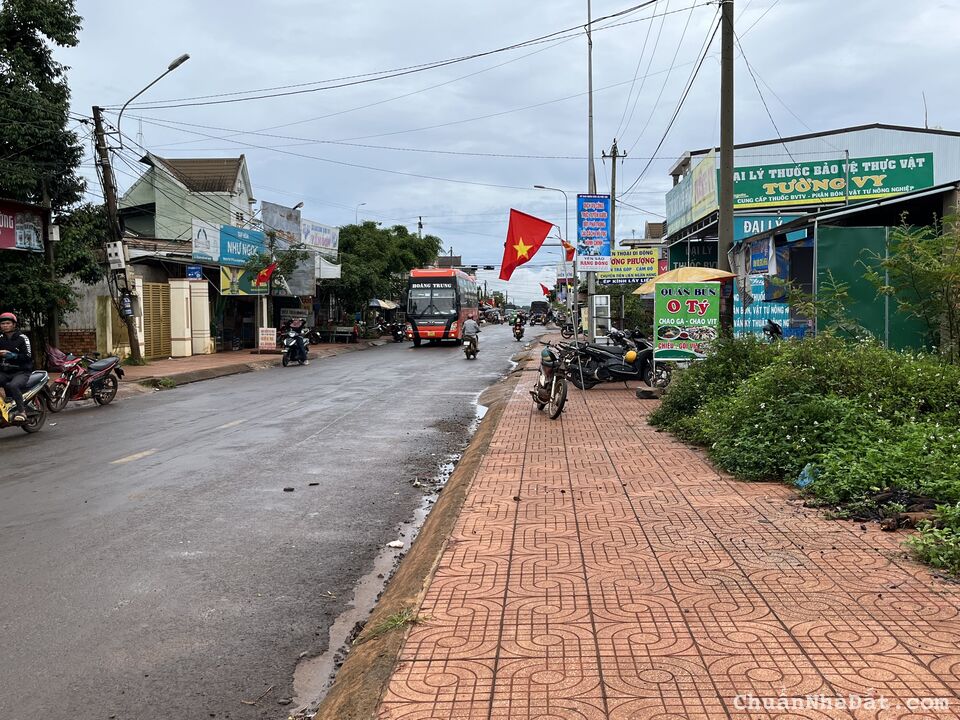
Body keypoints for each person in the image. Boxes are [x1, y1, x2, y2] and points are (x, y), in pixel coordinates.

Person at [0, 312, 32, 422]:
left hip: (21, 372)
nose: (5, 325)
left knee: (13, 385)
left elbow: (28, 356)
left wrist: (12, 355)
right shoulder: (0, 338)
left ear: (14, 324)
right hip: (5, 371)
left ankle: (22, 412)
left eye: (8, 323)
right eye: (3, 323)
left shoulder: (23, 338)